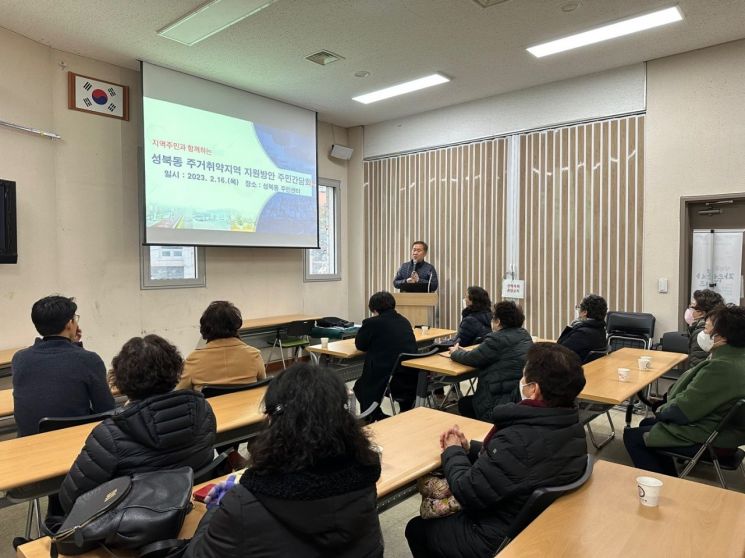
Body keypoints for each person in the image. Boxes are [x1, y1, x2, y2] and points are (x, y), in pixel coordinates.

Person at [405, 343, 588, 558]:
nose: (520, 382)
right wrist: (470, 448)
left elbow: (467, 490)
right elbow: (512, 464)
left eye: (523, 377)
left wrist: (453, 450)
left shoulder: (518, 438)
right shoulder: (571, 425)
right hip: (529, 520)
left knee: (417, 529)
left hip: (493, 535)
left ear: (533, 389)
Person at [183, 363, 384, 558]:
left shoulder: (243, 504)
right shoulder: (364, 479)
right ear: (345, 419)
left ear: (273, 422)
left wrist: (218, 508)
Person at [58, 334, 216, 513]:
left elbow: (70, 500)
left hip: (137, 528)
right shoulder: (203, 410)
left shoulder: (109, 435)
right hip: (191, 510)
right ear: (176, 371)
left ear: (121, 380)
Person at [623, 304, 745, 476]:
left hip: (713, 439)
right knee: (646, 423)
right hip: (726, 430)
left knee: (631, 436)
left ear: (722, 337)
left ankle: (665, 485)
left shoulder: (721, 368)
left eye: (708, 329)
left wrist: (660, 410)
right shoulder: (737, 358)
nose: (704, 334)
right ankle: (667, 474)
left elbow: (684, 410)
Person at [12, 295, 115, 437]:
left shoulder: (19, 358)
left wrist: (73, 345)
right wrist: (76, 347)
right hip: (76, 440)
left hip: (29, 442)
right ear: (69, 324)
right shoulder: (89, 360)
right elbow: (107, 410)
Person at [450, 301, 532, 421]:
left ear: (498, 321)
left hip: (497, 402)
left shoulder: (497, 339)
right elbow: (481, 354)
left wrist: (454, 353)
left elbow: (472, 358)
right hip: (517, 397)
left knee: (463, 404)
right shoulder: (524, 335)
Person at [354, 291, 417, 420]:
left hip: (389, 379)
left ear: (375, 309)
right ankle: (400, 412)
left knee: (360, 386)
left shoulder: (372, 323)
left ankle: (375, 416)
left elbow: (360, 345)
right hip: (410, 377)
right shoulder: (404, 320)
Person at [178, 301, 266, 391]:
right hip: (249, 404)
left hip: (211, 405)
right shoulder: (254, 355)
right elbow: (263, 387)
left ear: (205, 328)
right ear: (236, 325)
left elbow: (180, 392)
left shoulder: (194, 360)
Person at [557, 294, 608, 363]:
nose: (578, 310)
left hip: (570, 370)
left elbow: (558, 352)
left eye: (579, 307)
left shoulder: (582, 334)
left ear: (584, 312)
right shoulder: (600, 330)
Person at [685, 289, 724, 368]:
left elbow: (696, 366)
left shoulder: (702, 333)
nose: (689, 311)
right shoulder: (717, 327)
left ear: (701, 312)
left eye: (692, 308)